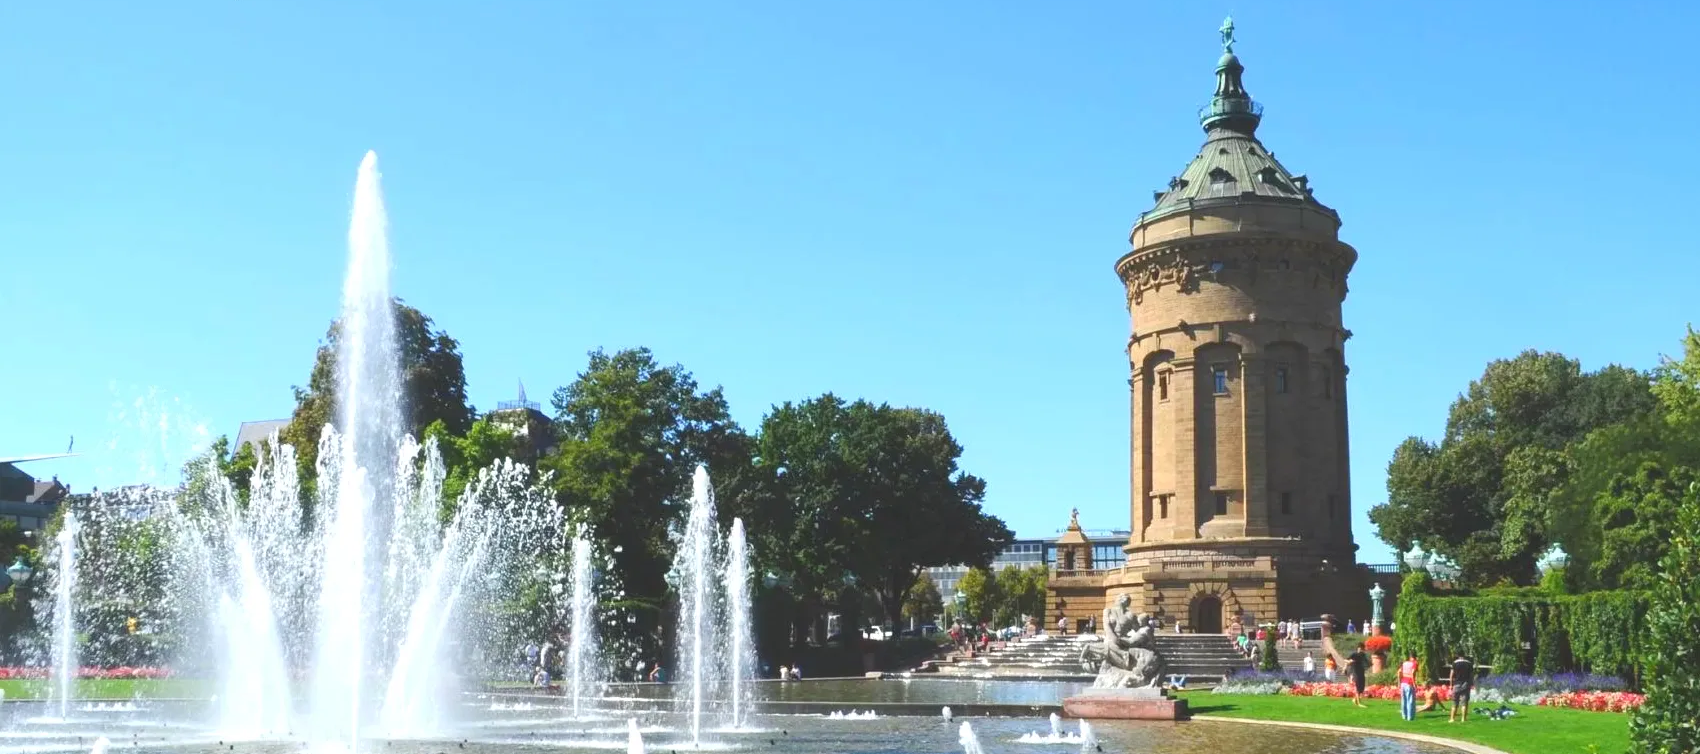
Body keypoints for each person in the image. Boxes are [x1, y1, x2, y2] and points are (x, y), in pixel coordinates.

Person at [1449, 652, 1475, 723]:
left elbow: (1451, 675)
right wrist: (1472, 683)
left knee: (1454, 702)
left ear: (1458, 655)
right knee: (1464, 702)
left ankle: (1452, 719)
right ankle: (1463, 719)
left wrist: (1451, 685)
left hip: (1456, 684)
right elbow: (1471, 675)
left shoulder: (1454, 663)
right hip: (1466, 684)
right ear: (1464, 655)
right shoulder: (1469, 663)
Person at [1398, 652, 1420, 721]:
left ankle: (1404, 716)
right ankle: (1410, 717)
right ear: (1415, 657)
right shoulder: (1415, 663)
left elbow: (1399, 672)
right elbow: (1412, 673)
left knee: (1403, 700)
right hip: (1409, 683)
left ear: (1410, 657)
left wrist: (1399, 683)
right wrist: (1414, 683)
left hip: (1403, 683)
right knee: (1410, 701)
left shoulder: (1404, 663)